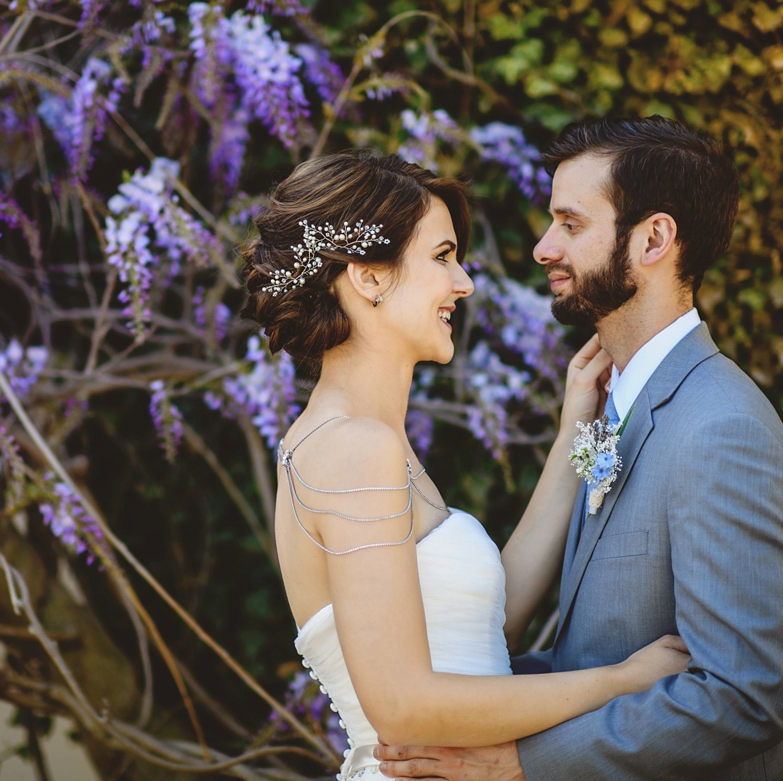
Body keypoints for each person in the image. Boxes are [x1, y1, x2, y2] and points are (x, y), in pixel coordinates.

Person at [375, 116, 783, 780]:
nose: (543, 247)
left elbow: (742, 697)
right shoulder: (613, 405)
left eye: (571, 225)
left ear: (654, 239)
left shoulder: (724, 430)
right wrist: (447, 714)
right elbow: (593, 655)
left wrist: (522, 762)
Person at [240, 152, 691, 781]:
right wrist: (622, 682)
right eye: (442, 257)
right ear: (369, 277)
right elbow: (404, 708)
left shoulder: (363, 440)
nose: (465, 283)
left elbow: (480, 632)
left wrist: (573, 439)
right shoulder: (353, 449)